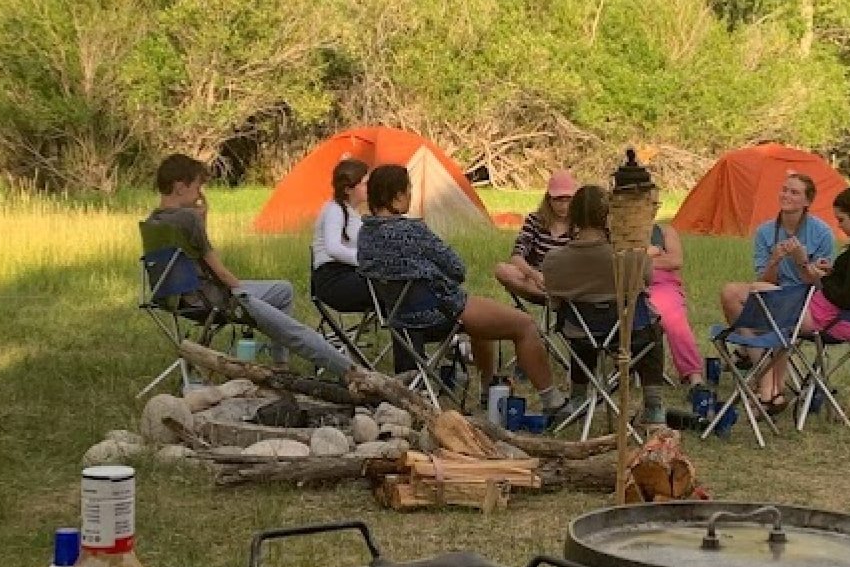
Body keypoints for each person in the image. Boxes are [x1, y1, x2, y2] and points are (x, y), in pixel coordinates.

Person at [358, 164, 562, 411]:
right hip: (440, 311)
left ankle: (488, 390)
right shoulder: (412, 230)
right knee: (525, 325)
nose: (411, 196)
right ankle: (553, 402)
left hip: (397, 317)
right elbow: (457, 269)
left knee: (483, 316)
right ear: (397, 196)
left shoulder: (365, 234)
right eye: (408, 190)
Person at [144, 154, 354, 377]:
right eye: (197, 186)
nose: (200, 193)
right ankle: (350, 371)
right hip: (212, 298)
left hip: (175, 299)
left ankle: (282, 366)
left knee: (283, 289)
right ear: (180, 187)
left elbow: (186, 259)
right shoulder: (187, 219)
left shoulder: (152, 222)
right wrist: (242, 294)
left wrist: (202, 220)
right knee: (293, 330)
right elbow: (221, 272)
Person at [751, 187, 850, 412]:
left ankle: (768, 390)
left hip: (831, 320)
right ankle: (768, 387)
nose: (840, 226)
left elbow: (846, 299)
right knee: (761, 298)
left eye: (842, 220)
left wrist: (819, 278)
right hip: (830, 313)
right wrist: (830, 273)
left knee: (761, 296)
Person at [539, 185, 669, 427]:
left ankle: (579, 396)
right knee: (652, 328)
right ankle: (653, 405)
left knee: (580, 329)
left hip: (581, 335)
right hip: (631, 334)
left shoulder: (554, 260)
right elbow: (648, 281)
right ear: (608, 216)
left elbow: (555, 302)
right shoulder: (630, 257)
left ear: (573, 217)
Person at [717, 171, 836, 324]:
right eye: (784, 190)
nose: (786, 195)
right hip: (772, 291)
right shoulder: (764, 232)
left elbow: (820, 285)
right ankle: (751, 344)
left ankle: (769, 342)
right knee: (730, 292)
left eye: (794, 193)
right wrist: (774, 260)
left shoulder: (822, 233)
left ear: (807, 201)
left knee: (757, 288)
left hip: (807, 299)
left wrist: (802, 262)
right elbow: (766, 280)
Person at [493, 171, 578, 304]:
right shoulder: (535, 220)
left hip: (568, 282)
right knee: (502, 270)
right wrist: (533, 275)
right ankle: (551, 298)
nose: (564, 206)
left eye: (568, 200)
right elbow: (516, 256)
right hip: (537, 280)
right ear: (549, 199)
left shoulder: (580, 224)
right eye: (558, 200)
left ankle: (559, 298)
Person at [309, 158, 371, 316]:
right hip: (333, 280)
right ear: (348, 189)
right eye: (364, 183)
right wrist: (366, 260)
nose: (369, 187)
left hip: (349, 273)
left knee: (392, 286)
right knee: (388, 288)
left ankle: (405, 333)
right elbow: (333, 249)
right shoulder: (334, 210)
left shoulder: (353, 213)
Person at [643, 219, 703, 382]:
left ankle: (694, 376)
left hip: (662, 286)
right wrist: (654, 255)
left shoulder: (663, 231)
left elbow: (675, 261)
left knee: (673, 317)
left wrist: (642, 259)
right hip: (626, 286)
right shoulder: (614, 230)